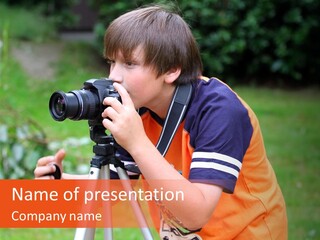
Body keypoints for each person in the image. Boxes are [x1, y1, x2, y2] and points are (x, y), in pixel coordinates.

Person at [34, 4, 287, 239]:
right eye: (112, 62)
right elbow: (114, 189)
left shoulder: (218, 110)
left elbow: (195, 216)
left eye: (130, 64)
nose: (114, 77)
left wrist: (137, 143)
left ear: (171, 69)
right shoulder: (138, 110)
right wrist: (61, 185)